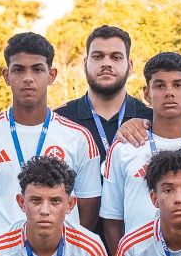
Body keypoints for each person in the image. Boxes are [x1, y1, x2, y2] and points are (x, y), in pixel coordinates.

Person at [0, 32, 104, 244]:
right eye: (18, 70)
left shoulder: (78, 137)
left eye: (37, 69)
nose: (28, 78)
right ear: (6, 76)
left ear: (51, 75)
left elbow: (88, 210)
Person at [100, 51, 181, 249]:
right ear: (146, 93)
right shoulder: (124, 147)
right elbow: (112, 221)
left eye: (178, 85)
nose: (169, 92)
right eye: (160, 85)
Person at [56, 25, 138, 163]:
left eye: (116, 57)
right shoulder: (59, 120)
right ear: (85, 64)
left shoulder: (151, 120)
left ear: (129, 66)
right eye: (98, 57)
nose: (106, 63)